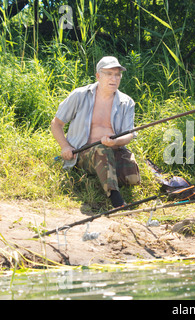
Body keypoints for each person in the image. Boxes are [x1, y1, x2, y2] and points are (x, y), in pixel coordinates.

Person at [51, 56, 140, 208]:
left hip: (115, 150)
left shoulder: (127, 102)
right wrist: (65, 147)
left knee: (133, 176)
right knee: (102, 150)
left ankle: (102, 174)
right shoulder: (79, 95)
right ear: (98, 76)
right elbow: (56, 124)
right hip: (83, 152)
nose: (114, 78)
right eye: (109, 74)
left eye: (118, 74)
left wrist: (116, 142)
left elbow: (128, 134)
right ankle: (115, 198)